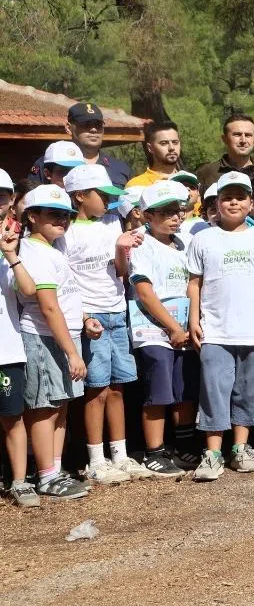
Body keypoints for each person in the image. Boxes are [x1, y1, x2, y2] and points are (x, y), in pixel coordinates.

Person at [187, 172, 254, 480]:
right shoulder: (203, 239)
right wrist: (193, 320)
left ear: (250, 202)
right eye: (227, 197)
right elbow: (195, 283)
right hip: (214, 330)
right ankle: (212, 453)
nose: (234, 202)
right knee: (214, 391)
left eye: (240, 197)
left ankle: (240, 449)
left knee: (248, 391)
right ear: (217, 202)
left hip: (253, 331)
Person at [63, 164, 148, 483]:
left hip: (117, 312)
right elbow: (67, 281)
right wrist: (84, 317)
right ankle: (96, 459)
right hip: (92, 318)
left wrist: (121, 248)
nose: (109, 202)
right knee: (96, 390)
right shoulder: (68, 231)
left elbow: (123, 272)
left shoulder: (113, 222)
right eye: (102, 195)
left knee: (117, 388)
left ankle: (120, 455)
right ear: (81, 196)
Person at [18, 184, 90, 500]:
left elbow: (66, 295)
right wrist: (72, 352)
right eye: (53, 214)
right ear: (32, 217)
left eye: (66, 215)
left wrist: (86, 320)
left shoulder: (53, 248)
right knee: (45, 409)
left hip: (64, 337)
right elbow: (48, 306)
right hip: (46, 339)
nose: (62, 220)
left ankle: (55, 470)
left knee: (60, 406)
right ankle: (46, 475)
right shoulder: (33, 250)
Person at [129, 181, 202, 478]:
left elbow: (191, 285)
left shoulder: (184, 244)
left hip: (183, 327)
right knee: (157, 390)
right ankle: (154, 451)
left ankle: (181, 443)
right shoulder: (142, 245)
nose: (175, 216)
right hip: (153, 327)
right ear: (147, 215)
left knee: (183, 387)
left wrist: (186, 324)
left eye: (179, 210)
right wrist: (171, 326)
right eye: (166, 212)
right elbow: (144, 291)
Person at [1, 216, 41, 506]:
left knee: (12, 417)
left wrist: (11, 254)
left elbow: (29, 290)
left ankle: (19, 482)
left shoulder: (11, 251)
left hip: (7, 350)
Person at [31, 103, 131, 188]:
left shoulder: (121, 169)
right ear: (69, 128)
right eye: (86, 124)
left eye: (98, 125)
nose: (93, 130)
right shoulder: (48, 163)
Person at [196, 114, 254, 191]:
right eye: (237, 135)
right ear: (224, 139)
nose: (243, 140)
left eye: (248, 135)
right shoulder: (206, 173)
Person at [127, 122, 184, 188]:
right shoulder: (136, 185)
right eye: (164, 143)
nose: (171, 148)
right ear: (150, 148)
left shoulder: (190, 181)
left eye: (175, 142)